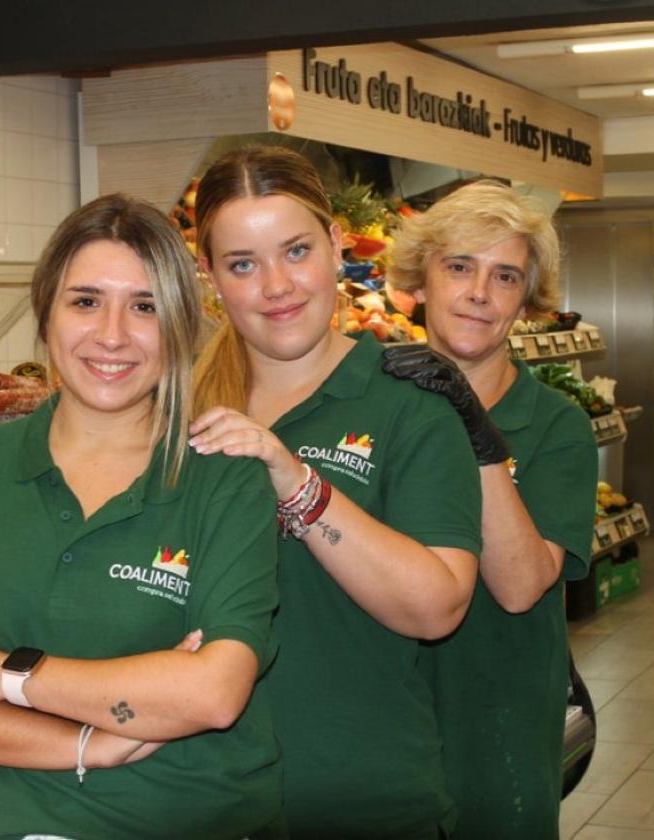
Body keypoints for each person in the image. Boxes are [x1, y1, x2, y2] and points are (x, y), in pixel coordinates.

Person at [0, 194, 282, 839]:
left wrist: (6, 673)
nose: (112, 334)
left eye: (144, 307)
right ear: (47, 312)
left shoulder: (225, 476)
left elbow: (213, 694)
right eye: (85, 300)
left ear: (177, 326)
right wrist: (92, 743)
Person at [188, 146, 485, 839]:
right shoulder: (178, 408)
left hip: (359, 801)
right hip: (196, 799)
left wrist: (294, 480)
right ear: (211, 278)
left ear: (335, 244)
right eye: (242, 264)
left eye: (295, 250)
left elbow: (438, 605)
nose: (275, 285)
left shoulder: (407, 402)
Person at [382, 181, 597, 840]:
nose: (480, 292)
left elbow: (521, 584)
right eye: (459, 268)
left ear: (525, 303)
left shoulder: (556, 426)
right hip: (378, 712)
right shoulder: (371, 407)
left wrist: (473, 429)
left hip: (497, 720)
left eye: (505, 276)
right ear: (419, 283)